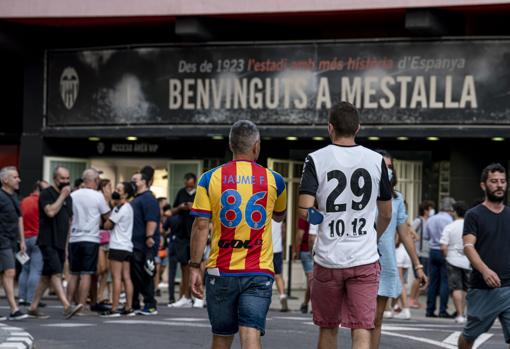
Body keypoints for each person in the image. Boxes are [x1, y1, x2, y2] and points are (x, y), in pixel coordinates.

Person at [298, 102, 392, 349]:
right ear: (358, 128)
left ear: (330, 128)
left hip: (328, 257)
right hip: (364, 257)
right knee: (362, 327)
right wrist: (373, 234)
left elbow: (305, 209)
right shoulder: (376, 160)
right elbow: (386, 213)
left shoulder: (315, 159)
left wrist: (322, 221)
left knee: (328, 327)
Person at [189, 120, 287, 349]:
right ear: (256, 146)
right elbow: (280, 216)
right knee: (250, 332)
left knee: (222, 337)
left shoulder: (209, 178)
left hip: (220, 270)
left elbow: (201, 225)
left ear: (231, 145)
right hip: (258, 270)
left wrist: (194, 266)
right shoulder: (275, 180)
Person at [371, 152, 427, 348]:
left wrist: (417, 265)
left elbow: (404, 234)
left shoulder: (397, 199)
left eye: (390, 167)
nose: (387, 170)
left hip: (385, 262)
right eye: (382, 166)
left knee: (376, 320)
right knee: (360, 320)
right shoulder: (362, 195)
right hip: (360, 260)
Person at [458, 163, 510, 348]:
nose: (499, 185)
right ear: (483, 185)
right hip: (483, 289)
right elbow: (468, 246)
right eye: (494, 181)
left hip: (509, 287)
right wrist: (485, 271)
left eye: (503, 181)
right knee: (470, 335)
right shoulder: (474, 215)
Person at [28, 166, 82, 319]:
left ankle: (33, 307)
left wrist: (66, 246)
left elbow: (69, 221)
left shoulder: (68, 197)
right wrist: (62, 197)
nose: (65, 182)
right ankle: (66, 306)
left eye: (67, 178)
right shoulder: (47, 194)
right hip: (47, 240)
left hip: (60, 242)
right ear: (55, 179)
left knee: (46, 277)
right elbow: (50, 212)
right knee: (56, 273)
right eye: (62, 179)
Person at [66, 168, 111, 313]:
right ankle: (81, 304)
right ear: (96, 181)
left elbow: (68, 216)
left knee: (73, 274)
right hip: (90, 238)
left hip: (74, 238)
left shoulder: (73, 195)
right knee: (86, 273)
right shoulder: (98, 196)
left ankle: (67, 304)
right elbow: (107, 217)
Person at [100, 182, 136, 317]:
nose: (116, 191)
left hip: (117, 246)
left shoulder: (120, 208)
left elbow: (107, 225)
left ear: (125, 194)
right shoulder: (128, 207)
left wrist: (111, 207)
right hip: (127, 246)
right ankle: (128, 306)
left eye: (119, 190)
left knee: (116, 277)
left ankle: (114, 308)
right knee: (126, 277)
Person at [130, 166, 160, 315]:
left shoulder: (148, 198)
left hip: (144, 245)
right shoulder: (137, 198)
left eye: (135, 180)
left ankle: (150, 304)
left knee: (146, 274)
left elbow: (152, 220)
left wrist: (149, 237)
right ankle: (134, 303)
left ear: (144, 182)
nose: (132, 182)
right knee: (135, 275)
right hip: (134, 244)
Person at [0, 166, 28, 320]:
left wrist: (22, 240)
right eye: (15, 177)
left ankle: (13, 309)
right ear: (5, 180)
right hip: (2, 240)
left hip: (11, 241)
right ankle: (14, 309)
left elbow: (19, 219)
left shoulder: (15, 197)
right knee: (10, 272)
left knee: (5, 274)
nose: (19, 180)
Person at [18, 180, 49, 307]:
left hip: (23, 239)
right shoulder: (42, 202)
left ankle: (22, 298)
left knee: (25, 269)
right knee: (35, 270)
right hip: (37, 239)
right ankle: (31, 299)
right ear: (40, 189)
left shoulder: (24, 201)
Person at [424, 196, 456, 318]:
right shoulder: (450, 220)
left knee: (433, 281)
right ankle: (443, 310)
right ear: (451, 208)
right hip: (445, 251)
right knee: (445, 281)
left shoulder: (431, 219)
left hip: (432, 251)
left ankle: (430, 309)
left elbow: (426, 236)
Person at [169, 173, 197, 308]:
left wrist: (194, 207)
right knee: (184, 265)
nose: (188, 186)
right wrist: (181, 207)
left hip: (195, 233)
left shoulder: (200, 193)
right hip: (181, 234)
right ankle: (185, 296)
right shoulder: (180, 192)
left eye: (191, 184)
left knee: (197, 265)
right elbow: (172, 211)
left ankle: (194, 296)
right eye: (187, 183)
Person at [439, 201, 470, 324]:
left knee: (456, 287)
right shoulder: (470, 225)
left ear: (455, 212)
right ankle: (466, 313)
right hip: (468, 260)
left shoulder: (450, 226)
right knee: (467, 288)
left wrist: (446, 256)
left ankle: (459, 314)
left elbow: (443, 246)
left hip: (452, 260)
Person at [409, 200, 435, 309]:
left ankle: (415, 300)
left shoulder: (429, 221)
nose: (432, 211)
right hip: (419, 252)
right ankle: (411, 300)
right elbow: (409, 230)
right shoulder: (419, 220)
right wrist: (416, 236)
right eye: (430, 209)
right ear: (425, 210)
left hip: (426, 252)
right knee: (418, 277)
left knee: (423, 278)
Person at [294, 217, 313, 314]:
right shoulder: (323, 213)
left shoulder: (305, 216)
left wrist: (296, 251)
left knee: (311, 279)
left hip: (306, 250)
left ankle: (306, 304)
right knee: (312, 279)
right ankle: (309, 304)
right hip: (319, 251)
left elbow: (300, 235)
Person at [272, 219, 288, 312]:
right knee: (278, 275)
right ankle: (282, 296)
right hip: (277, 249)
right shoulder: (279, 217)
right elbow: (283, 231)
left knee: (262, 275)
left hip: (265, 249)